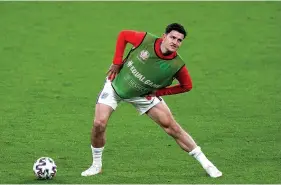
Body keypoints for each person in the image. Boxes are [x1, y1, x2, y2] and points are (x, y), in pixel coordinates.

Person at [81, 23, 222, 178]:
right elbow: (123, 35)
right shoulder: (145, 40)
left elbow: (187, 86)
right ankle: (96, 165)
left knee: (172, 128)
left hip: (142, 95)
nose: (175, 42)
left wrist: (159, 92)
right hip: (116, 85)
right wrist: (116, 62)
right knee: (99, 123)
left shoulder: (176, 65)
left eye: (179, 40)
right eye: (172, 37)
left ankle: (207, 164)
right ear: (164, 36)